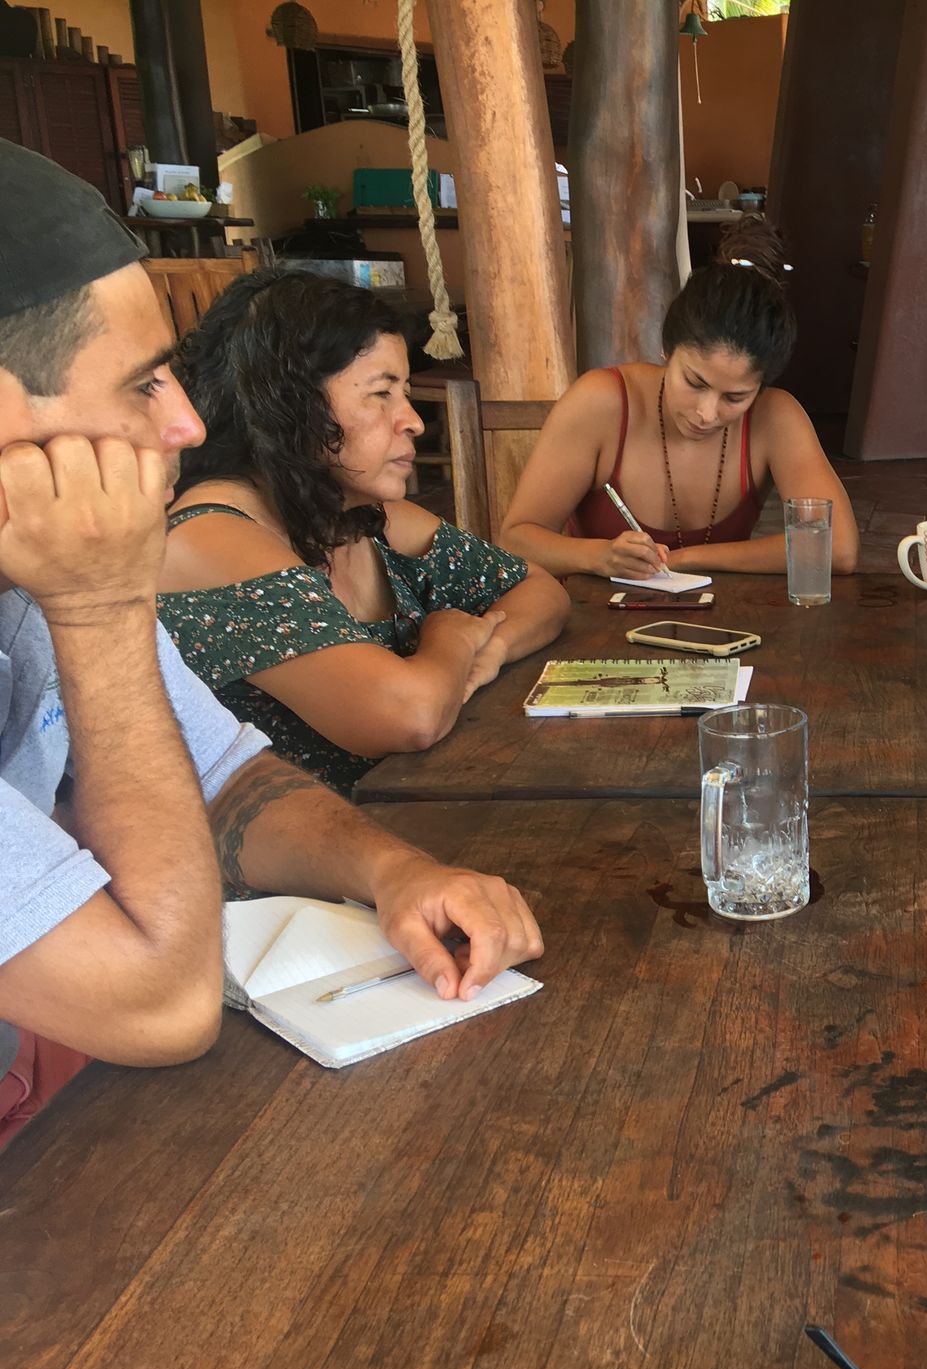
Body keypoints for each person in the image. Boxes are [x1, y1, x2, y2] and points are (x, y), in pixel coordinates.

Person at [0, 139, 542, 1140]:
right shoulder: (86, 583)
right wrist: (104, 616)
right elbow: (162, 1005)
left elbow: (232, 779)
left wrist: (396, 874)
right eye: (142, 385)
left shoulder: (31, 573)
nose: (189, 425)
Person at [158, 269, 570, 794]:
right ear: (289, 403)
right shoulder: (208, 536)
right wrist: (450, 638)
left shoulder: (354, 514)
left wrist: (491, 649)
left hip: (413, 823)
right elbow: (409, 717)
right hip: (294, 866)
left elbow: (539, 590)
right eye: (381, 393)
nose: (413, 420)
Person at [500, 222, 858, 579]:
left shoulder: (775, 417)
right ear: (666, 351)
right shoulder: (602, 403)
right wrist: (598, 556)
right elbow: (516, 540)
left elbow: (838, 548)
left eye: (735, 397)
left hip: (723, 624)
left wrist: (685, 560)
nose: (706, 413)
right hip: (594, 622)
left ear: (762, 386)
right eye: (694, 382)